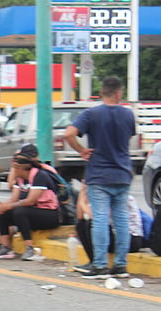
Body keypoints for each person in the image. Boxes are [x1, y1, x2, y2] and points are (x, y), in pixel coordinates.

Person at [64, 76, 136, 279]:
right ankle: (121, 265)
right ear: (119, 93)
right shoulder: (128, 115)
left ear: (102, 92)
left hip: (99, 174)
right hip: (122, 173)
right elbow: (127, 137)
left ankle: (100, 265)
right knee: (122, 220)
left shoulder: (91, 114)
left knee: (101, 219)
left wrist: (82, 150)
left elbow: (69, 133)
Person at [0, 154, 60, 260]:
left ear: (21, 168)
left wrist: (9, 206)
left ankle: (30, 248)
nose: (13, 171)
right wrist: (2, 206)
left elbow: (30, 201)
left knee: (20, 211)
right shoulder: (20, 179)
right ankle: (5, 247)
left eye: (15, 168)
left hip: (49, 214)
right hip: (31, 212)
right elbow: (14, 199)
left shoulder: (39, 176)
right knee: (1, 212)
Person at [73, 185, 144, 273]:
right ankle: (93, 261)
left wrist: (83, 202)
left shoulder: (115, 198)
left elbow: (93, 216)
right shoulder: (101, 196)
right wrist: (82, 192)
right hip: (115, 236)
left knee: (91, 224)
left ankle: (98, 264)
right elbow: (80, 217)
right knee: (81, 225)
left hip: (132, 240)